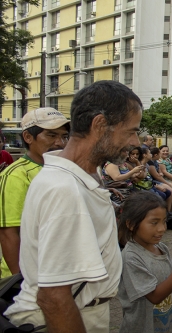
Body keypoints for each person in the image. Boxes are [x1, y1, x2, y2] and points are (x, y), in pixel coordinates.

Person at [4, 81, 143, 332]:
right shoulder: (64, 189)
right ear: (100, 125)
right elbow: (54, 297)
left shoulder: (81, 177)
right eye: (130, 131)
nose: (135, 141)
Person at [117, 191, 172, 333]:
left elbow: (168, 291)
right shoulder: (131, 257)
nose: (162, 228)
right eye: (154, 223)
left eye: (164, 221)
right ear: (131, 224)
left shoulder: (162, 248)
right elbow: (154, 296)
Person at [0, 108, 70, 279]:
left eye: (64, 136)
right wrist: (20, 280)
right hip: (29, 276)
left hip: (56, 271)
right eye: (52, 135)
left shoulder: (64, 169)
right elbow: (9, 232)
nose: (60, 143)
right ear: (28, 137)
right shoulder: (16, 175)